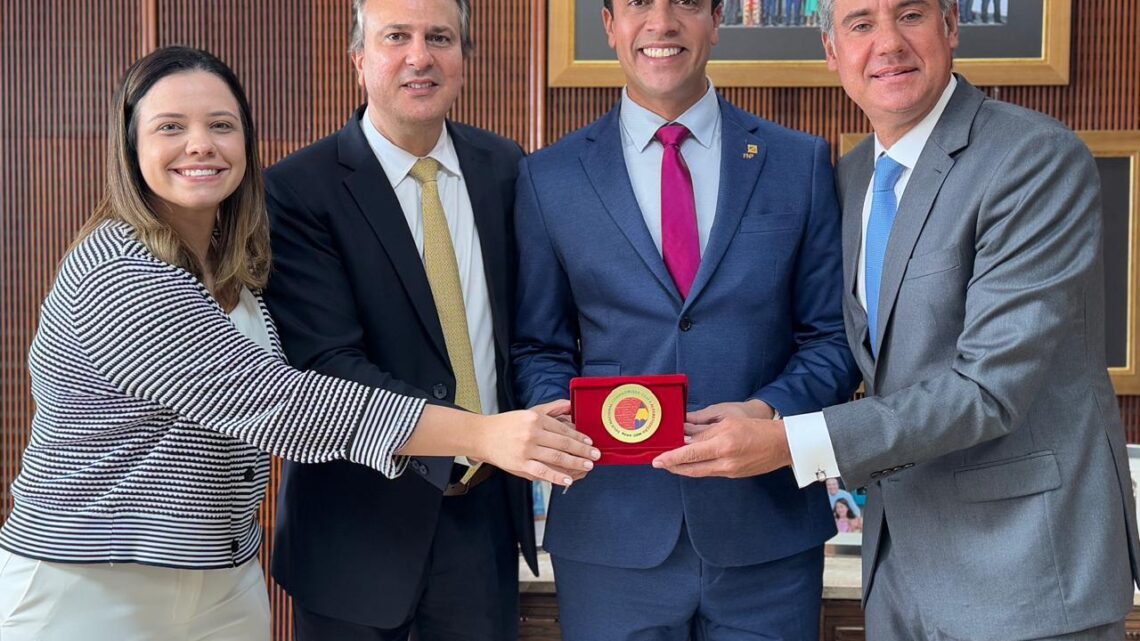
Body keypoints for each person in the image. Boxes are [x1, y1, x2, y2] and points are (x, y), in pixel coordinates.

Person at [0, 45, 595, 641]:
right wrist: (482, 433)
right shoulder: (118, 270)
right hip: (95, 580)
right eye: (170, 127)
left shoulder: (235, 266)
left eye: (222, 126)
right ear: (130, 148)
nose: (201, 144)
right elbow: (278, 403)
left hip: (221, 576)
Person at [655, 1, 1140, 639]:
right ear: (833, 53)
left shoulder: (1033, 159)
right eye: (860, 24)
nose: (887, 44)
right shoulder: (853, 176)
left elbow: (988, 389)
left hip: (1028, 574)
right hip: (899, 577)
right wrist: (765, 412)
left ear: (950, 28)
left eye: (909, 15)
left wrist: (789, 443)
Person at [512, 0, 859, 638]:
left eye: (687, 4)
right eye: (640, 4)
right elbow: (537, 346)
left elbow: (831, 340)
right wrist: (569, 423)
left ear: (717, 20)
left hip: (768, 531)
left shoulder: (798, 163)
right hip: (611, 534)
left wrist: (769, 414)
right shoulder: (548, 177)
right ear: (609, 24)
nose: (662, 23)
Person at [259, 1, 590, 639]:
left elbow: (531, 331)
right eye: (396, 38)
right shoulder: (298, 190)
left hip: (483, 522)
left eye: (440, 38)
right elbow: (325, 367)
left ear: (464, 61)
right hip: (357, 533)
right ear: (359, 59)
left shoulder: (507, 168)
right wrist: (475, 433)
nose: (420, 56)